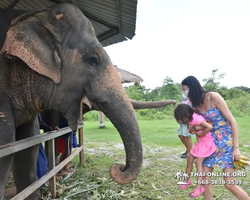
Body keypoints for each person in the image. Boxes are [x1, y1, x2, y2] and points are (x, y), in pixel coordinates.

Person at [181, 76, 250, 200]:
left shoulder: (213, 97)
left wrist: (236, 148)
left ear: (193, 88)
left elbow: (233, 122)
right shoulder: (194, 105)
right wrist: (195, 129)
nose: (184, 93)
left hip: (227, 144)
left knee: (230, 184)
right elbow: (193, 127)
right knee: (205, 181)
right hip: (209, 145)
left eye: (185, 89)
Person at [174, 104, 216, 198]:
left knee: (198, 163)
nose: (182, 120)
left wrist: (201, 134)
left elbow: (209, 127)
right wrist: (192, 130)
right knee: (189, 160)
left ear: (186, 113)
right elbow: (191, 130)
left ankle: (199, 187)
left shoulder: (196, 118)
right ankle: (187, 180)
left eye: (182, 117)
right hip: (199, 143)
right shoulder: (189, 119)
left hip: (205, 143)